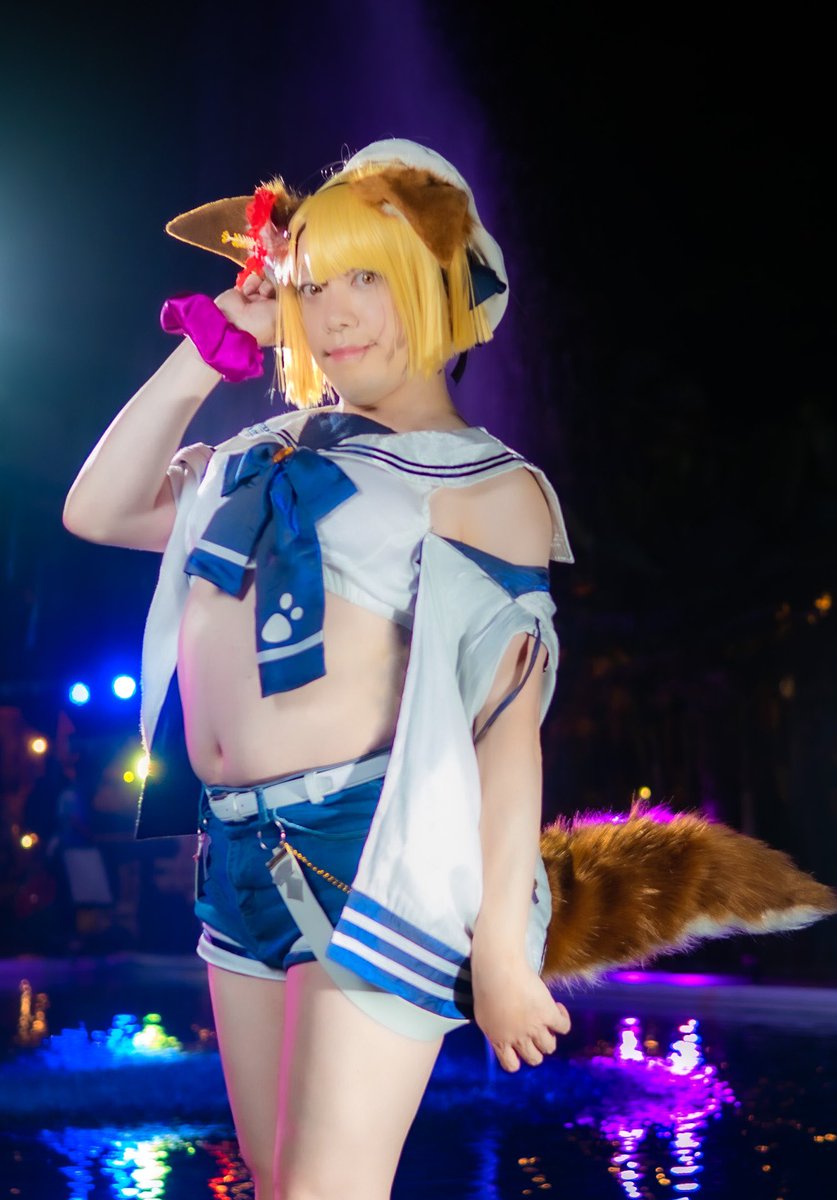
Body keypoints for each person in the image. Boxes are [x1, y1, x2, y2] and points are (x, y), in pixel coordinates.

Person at [63, 138, 575, 1200]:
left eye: (365, 280)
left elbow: (504, 729)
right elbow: (98, 510)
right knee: (273, 1181)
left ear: (436, 286)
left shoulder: (487, 486)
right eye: (309, 285)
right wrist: (209, 352)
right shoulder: (260, 452)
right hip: (232, 851)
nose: (331, 315)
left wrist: (501, 952)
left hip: (370, 849)